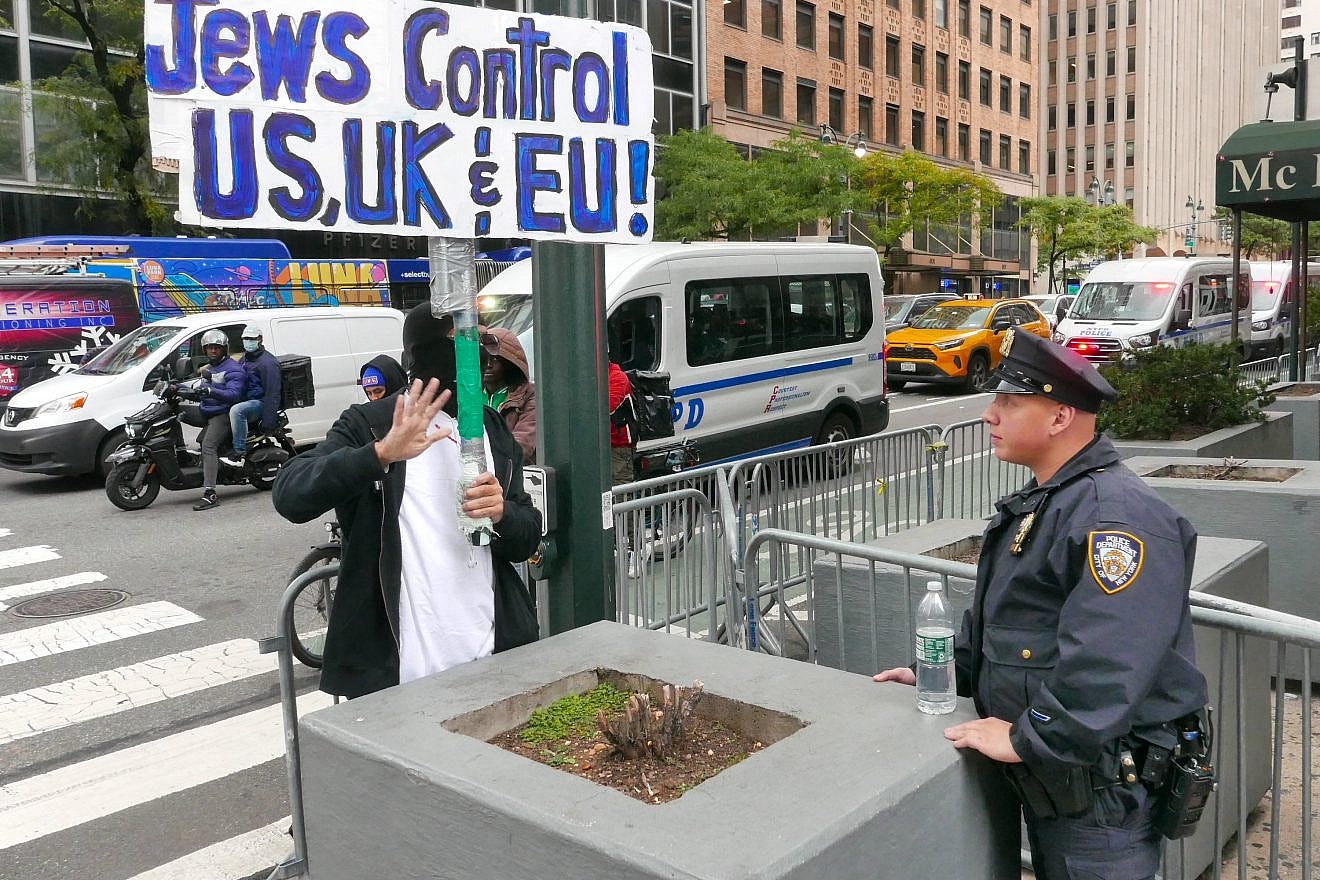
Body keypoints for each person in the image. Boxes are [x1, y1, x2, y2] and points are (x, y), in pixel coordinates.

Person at [874, 330, 1208, 880]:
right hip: (1066, 773)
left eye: (1008, 401)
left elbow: (1111, 657)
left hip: (1099, 787)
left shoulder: (1114, 518)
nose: (988, 415)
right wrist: (946, 675)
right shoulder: (1054, 501)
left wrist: (1033, 737)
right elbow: (1019, 623)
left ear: (1058, 419)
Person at [272, 303, 541, 700]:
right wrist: (379, 454)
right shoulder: (373, 423)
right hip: (397, 668)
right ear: (426, 349)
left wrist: (502, 514)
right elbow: (291, 494)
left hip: (491, 653)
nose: (481, 351)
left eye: (484, 339)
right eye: (463, 338)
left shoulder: (492, 429)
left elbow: (528, 534)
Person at [181, 329, 246, 511]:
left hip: (222, 414)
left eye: (216, 348)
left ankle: (210, 493)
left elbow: (234, 395)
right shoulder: (209, 369)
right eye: (209, 348)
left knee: (208, 446)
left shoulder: (233, 369)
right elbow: (199, 392)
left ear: (224, 349)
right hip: (208, 410)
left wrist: (211, 391)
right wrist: (174, 388)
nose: (213, 351)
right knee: (174, 411)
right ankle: (181, 453)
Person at [221, 325, 282, 468]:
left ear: (260, 339)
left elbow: (272, 393)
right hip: (247, 399)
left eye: (252, 339)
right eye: (245, 338)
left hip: (259, 402)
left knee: (237, 411)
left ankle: (239, 453)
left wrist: (269, 421)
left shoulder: (268, 363)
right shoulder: (245, 358)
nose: (248, 341)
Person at [482, 328, 537, 465]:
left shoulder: (530, 394)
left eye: (495, 359)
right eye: (484, 358)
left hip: (514, 475)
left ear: (509, 363)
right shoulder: (468, 395)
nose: (488, 365)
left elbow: (523, 443)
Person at [607, 357, 635, 487]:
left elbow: (607, 406)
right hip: (602, 444)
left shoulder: (617, 377)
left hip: (618, 445)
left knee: (619, 490)